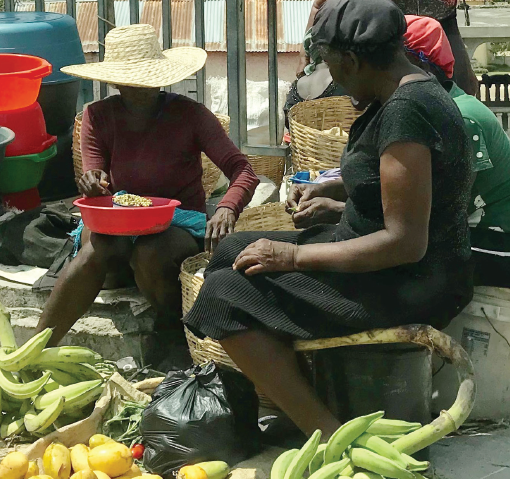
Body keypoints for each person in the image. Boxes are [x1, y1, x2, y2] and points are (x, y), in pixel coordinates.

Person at [184, 0, 473, 438]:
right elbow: (396, 182)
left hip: (412, 280)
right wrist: (335, 189)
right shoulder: (403, 90)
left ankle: (327, 434)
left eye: (330, 64)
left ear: (353, 60)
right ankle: (298, 378)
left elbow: (405, 241)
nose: (329, 77)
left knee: (223, 294)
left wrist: (290, 256)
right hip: (387, 259)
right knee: (230, 250)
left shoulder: (407, 110)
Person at [35, 24, 260, 360]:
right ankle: (35, 350)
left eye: (146, 78)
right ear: (115, 81)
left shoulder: (189, 115)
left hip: (175, 227)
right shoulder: (99, 117)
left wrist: (227, 207)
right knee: (96, 250)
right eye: (131, 79)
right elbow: (94, 175)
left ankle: (175, 331)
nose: (140, 87)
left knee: (151, 253)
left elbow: (242, 169)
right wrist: (91, 182)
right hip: (117, 227)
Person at [296, 15, 510, 291]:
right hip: (471, 231)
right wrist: (333, 189)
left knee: (411, 262)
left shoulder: (460, 117)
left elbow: (430, 213)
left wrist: (340, 212)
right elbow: (400, 187)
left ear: (418, 62)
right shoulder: (423, 106)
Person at [298, 0, 479, 95]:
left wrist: (463, 62)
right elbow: (319, 5)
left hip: (441, 26)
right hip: (389, 37)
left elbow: (448, 20)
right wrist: (305, 51)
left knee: (463, 90)